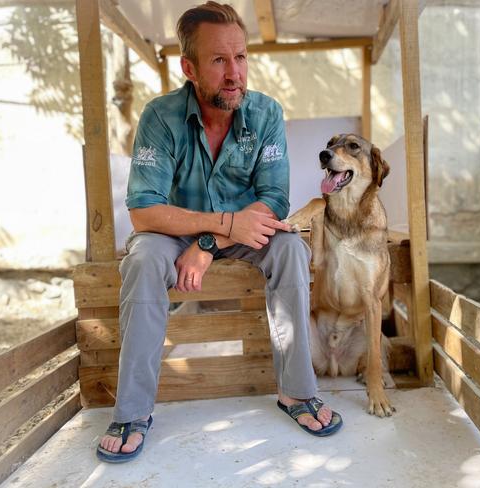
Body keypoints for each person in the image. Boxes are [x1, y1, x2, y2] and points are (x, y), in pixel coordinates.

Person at [96, 1, 342, 463]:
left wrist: (209, 245)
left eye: (241, 57)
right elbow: (144, 212)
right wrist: (217, 226)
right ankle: (132, 412)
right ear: (189, 67)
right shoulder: (160, 116)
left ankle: (296, 392)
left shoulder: (265, 113)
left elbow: (273, 201)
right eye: (218, 60)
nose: (235, 73)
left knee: (290, 247)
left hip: (243, 233)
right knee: (144, 256)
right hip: (173, 232)